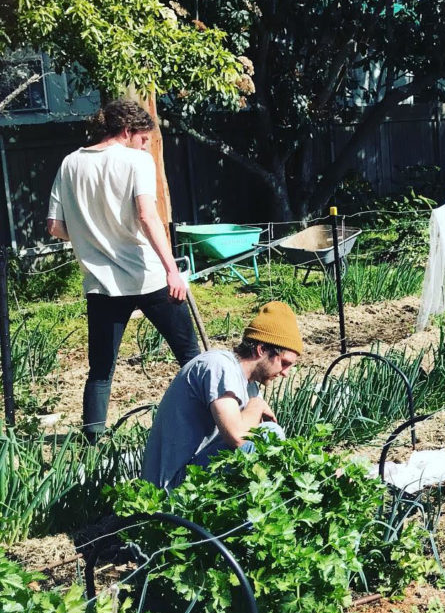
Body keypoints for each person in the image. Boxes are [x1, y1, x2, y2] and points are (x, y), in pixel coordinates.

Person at [46, 99, 199, 442]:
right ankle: (210, 421)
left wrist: (91, 234)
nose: (146, 145)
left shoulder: (70, 163)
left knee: (100, 370)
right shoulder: (136, 160)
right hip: (150, 277)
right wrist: (172, 270)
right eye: (144, 138)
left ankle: (93, 442)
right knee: (190, 356)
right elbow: (147, 216)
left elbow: (55, 226)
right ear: (128, 131)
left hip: (102, 284)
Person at [141, 301, 303, 490]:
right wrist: (257, 406)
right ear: (261, 350)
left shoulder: (249, 387)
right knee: (267, 435)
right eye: (284, 363)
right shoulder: (218, 366)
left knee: (270, 437)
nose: (285, 373)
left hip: (194, 478)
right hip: (170, 487)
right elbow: (238, 438)